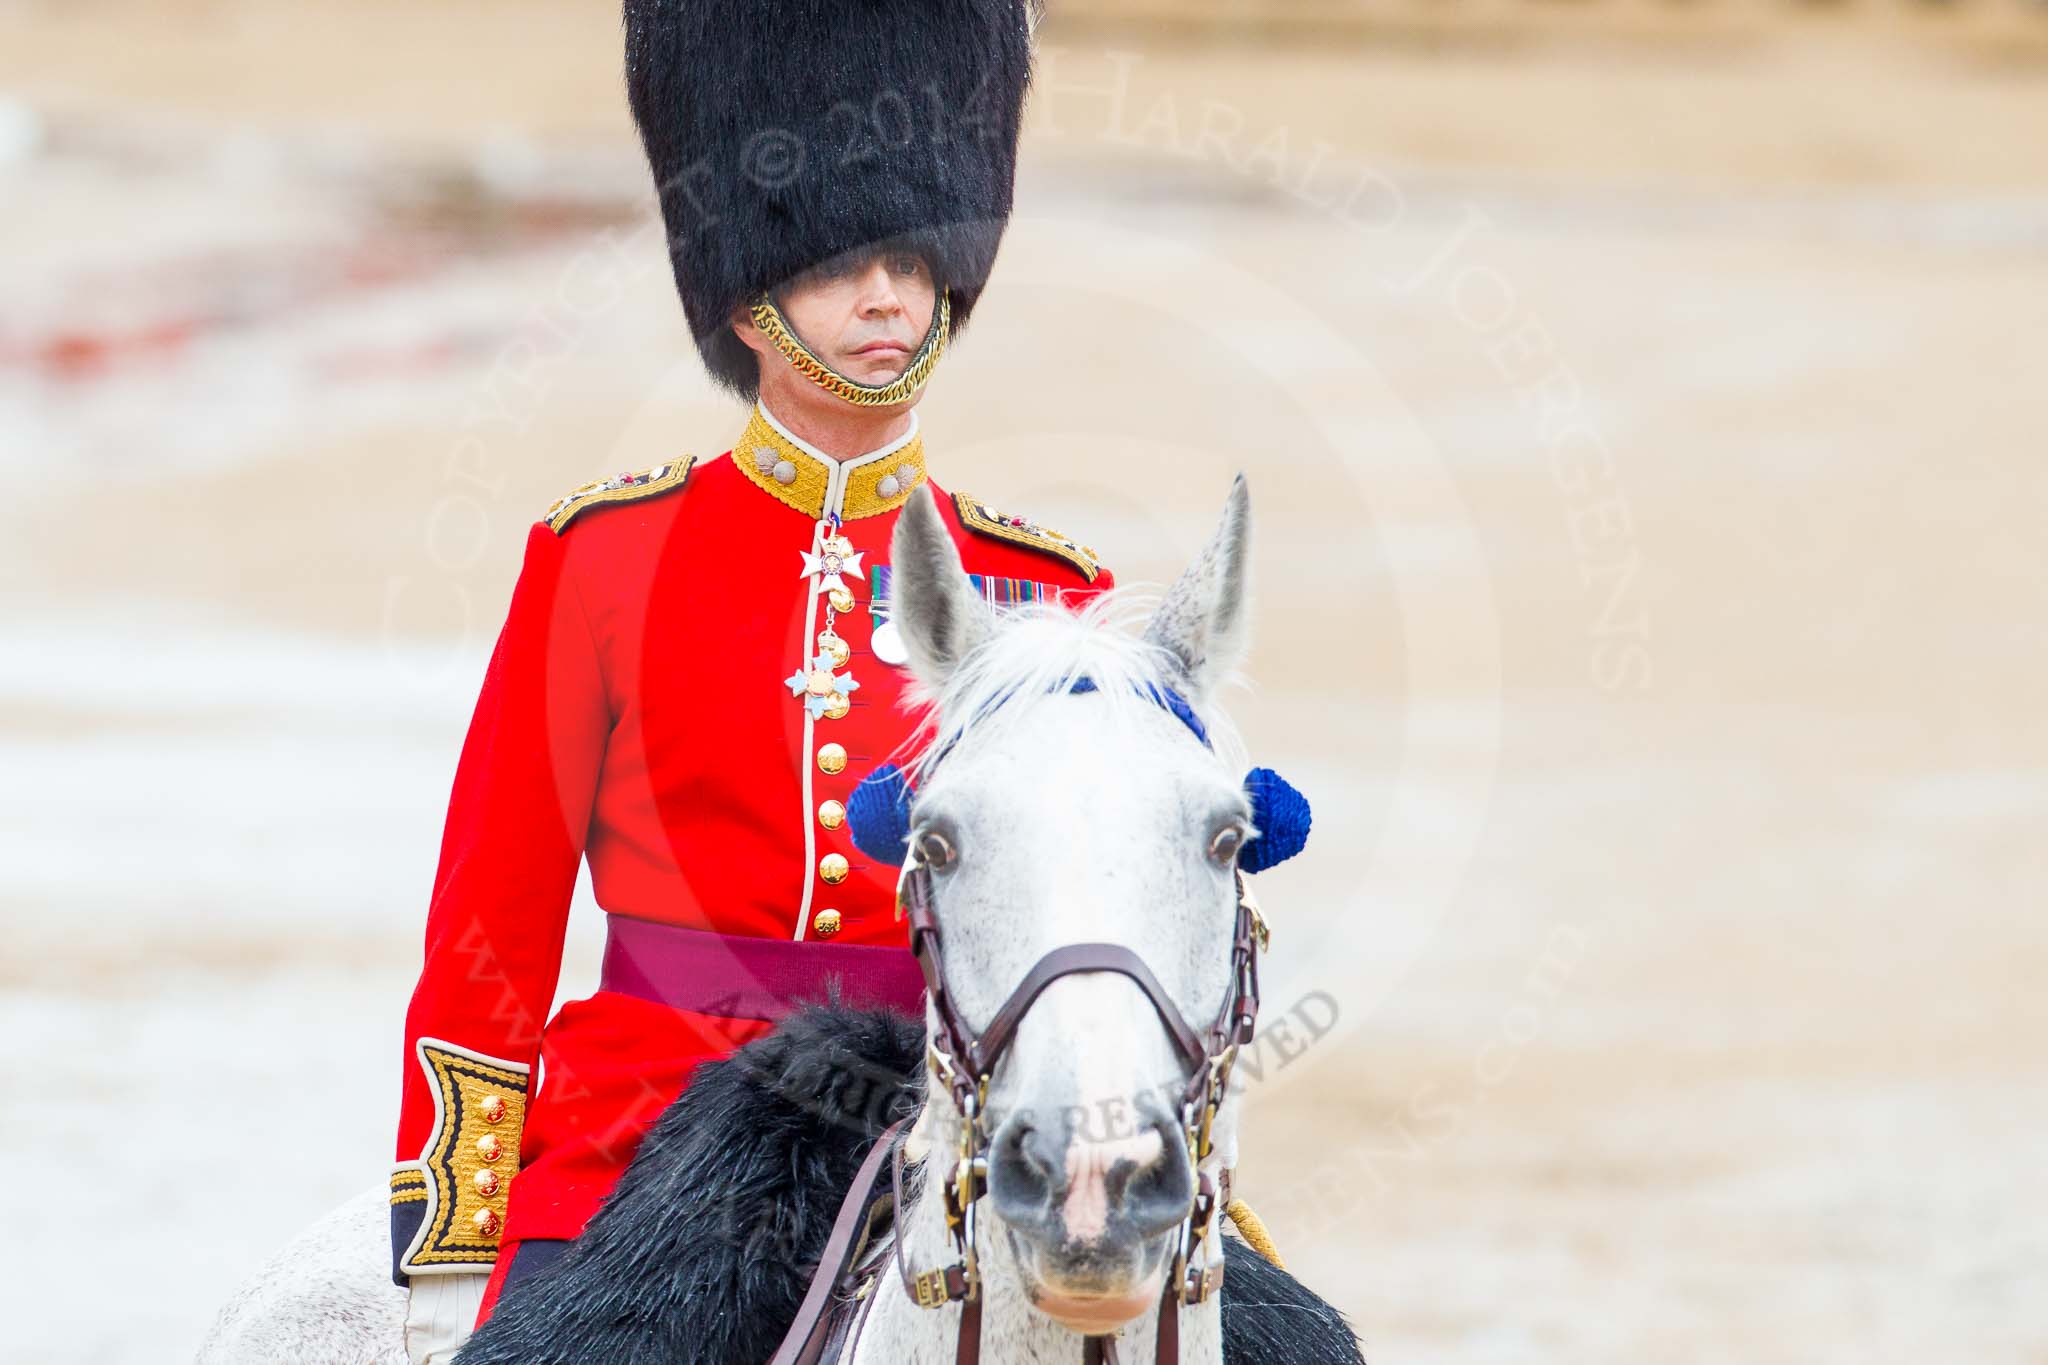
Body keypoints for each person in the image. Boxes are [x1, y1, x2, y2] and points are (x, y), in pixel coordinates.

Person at [385, 2, 1114, 1360]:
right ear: (745, 286)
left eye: (914, 253)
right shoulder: (603, 561)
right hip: (646, 1118)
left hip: (955, 1122)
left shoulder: (1045, 594)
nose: (890, 295)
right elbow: (491, 929)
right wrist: (452, 1239)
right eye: (842, 261)